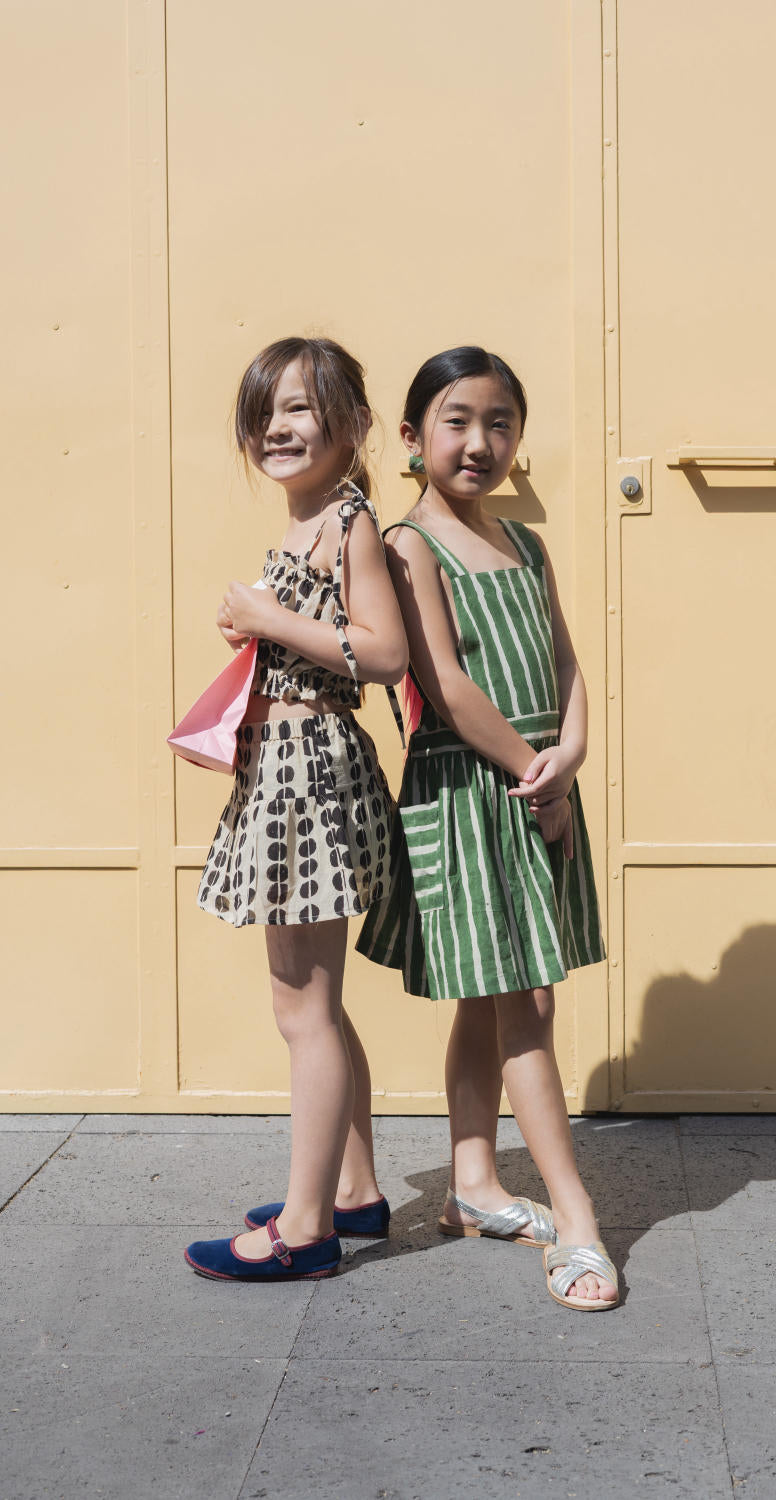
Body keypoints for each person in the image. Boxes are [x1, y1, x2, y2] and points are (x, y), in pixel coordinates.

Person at [359, 347, 618, 1310]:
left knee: (492, 994)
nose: (480, 442)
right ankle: (578, 1219)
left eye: (500, 423)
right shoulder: (407, 545)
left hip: (536, 784)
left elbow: (566, 664)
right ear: (413, 435)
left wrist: (570, 756)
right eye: (458, 420)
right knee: (523, 1001)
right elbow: (446, 685)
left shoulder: (526, 543)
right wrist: (534, 774)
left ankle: (472, 1185)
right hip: (474, 789)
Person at [184, 336, 408, 1281]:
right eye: (263, 412)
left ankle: (305, 1229)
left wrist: (271, 620)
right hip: (288, 768)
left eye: (299, 408)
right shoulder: (310, 522)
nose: (276, 428)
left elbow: (385, 652)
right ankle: (352, 1192)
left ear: (353, 425)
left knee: (303, 1010)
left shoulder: (348, 524)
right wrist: (259, 631)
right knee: (320, 1006)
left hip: (307, 774)